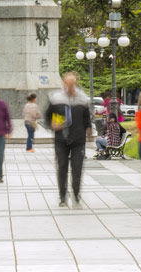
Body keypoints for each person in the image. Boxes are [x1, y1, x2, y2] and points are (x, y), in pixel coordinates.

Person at [45, 72, 92, 207]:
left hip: (78, 140)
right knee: (62, 167)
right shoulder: (56, 98)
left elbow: (87, 118)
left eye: (73, 84)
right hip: (61, 139)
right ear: (63, 84)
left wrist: (88, 128)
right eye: (68, 84)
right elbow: (47, 116)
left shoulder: (82, 98)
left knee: (77, 168)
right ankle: (62, 196)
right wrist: (52, 125)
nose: (70, 87)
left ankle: (76, 194)